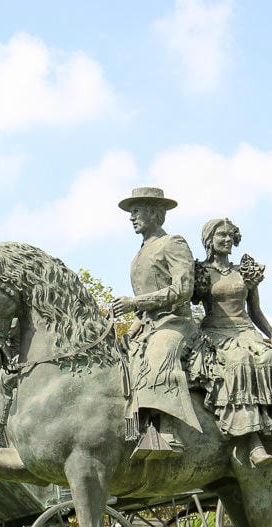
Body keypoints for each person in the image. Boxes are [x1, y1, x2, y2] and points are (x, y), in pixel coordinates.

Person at [188, 218, 272, 467]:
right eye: (220, 235)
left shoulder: (245, 271)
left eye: (229, 235)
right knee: (240, 360)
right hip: (216, 331)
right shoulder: (201, 273)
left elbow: (255, 311)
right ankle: (253, 440)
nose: (226, 239)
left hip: (246, 330)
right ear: (209, 241)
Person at [110, 187, 202, 459]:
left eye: (136, 211)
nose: (131, 218)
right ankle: (132, 430)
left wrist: (135, 304)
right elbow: (144, 305)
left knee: (159, 356)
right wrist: (135, 321)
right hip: (149, 324)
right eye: (131, 212)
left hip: (175, 324)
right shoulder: (140, 253)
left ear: (154, 212)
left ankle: (168, 432)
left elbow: (183, 289)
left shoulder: (173, 243)